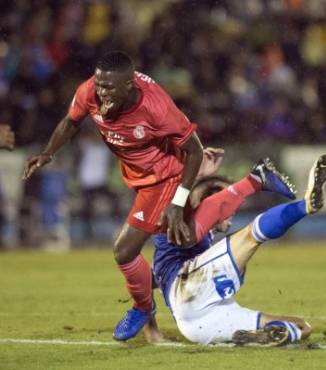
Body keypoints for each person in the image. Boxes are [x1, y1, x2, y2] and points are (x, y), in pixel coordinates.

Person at [21, 51, 292, 342]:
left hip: (164, 177)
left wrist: (176, 202)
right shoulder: (90, 91)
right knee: (186, 239)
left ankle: (142, 308)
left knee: (125, 251)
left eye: (109, 88)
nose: (101, 93)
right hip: (138, 177)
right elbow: (70, 122)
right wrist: (48, 152)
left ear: (130, 85)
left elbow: (194, 150)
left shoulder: (155, 105)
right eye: (99, 85)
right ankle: (254, 181)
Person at [149, 154, 326, 346]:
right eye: (228, 205)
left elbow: (145, 284)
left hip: (198, 325)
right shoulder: (182, 224)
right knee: (251, 235)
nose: (233, 210)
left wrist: (150, 330)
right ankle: (305, 206)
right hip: (187, 288)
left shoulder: (187, 241)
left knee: (302, 327)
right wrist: (200, 177)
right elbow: (193, 197)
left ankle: (255, 338)